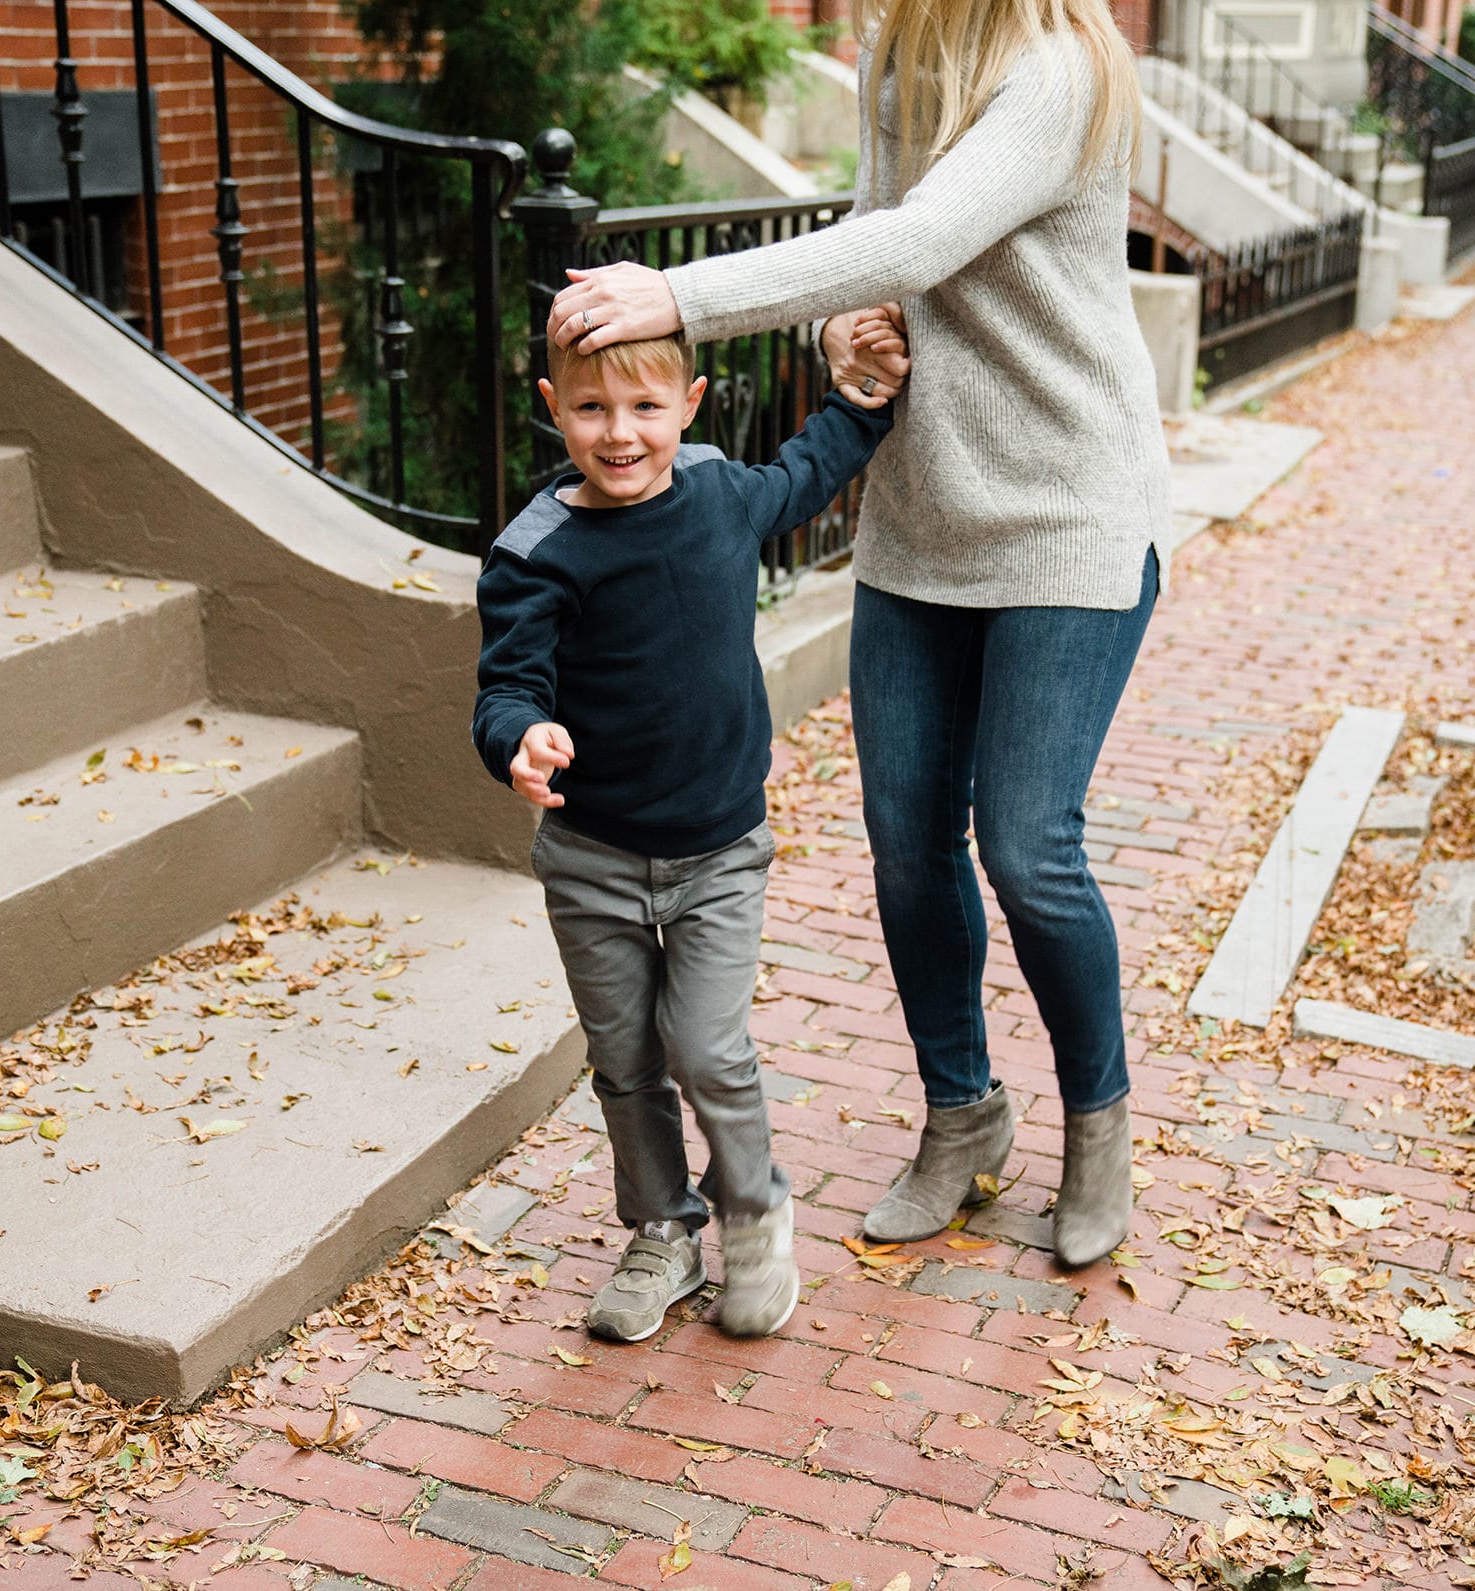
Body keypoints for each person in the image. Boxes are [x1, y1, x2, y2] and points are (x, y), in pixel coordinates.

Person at [545, 0, 1171, 1269]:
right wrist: (841, 327)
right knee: (904, 845)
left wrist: (676, 293)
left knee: (1030, 847)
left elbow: (924, 237)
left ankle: (1097, 1131)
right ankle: (962, 1117)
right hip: (922, 513)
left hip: (1066, 513)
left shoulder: (1059, 70)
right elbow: (877, 253)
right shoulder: (904, 48)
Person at [473, 323, 909, 1341]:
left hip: (719, 849)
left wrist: (865, 395)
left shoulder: (717, 495)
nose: (619, 433)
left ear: (692, 402)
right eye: (591, 408)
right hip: (591, 861)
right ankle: (663, 1231)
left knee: (707, 1048)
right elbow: (508, 681)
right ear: (552, 404)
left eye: (644, 408)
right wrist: (519, 739)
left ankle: (753, 1210)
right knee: (624, 1058)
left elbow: (809, 468)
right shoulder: (536, 554)